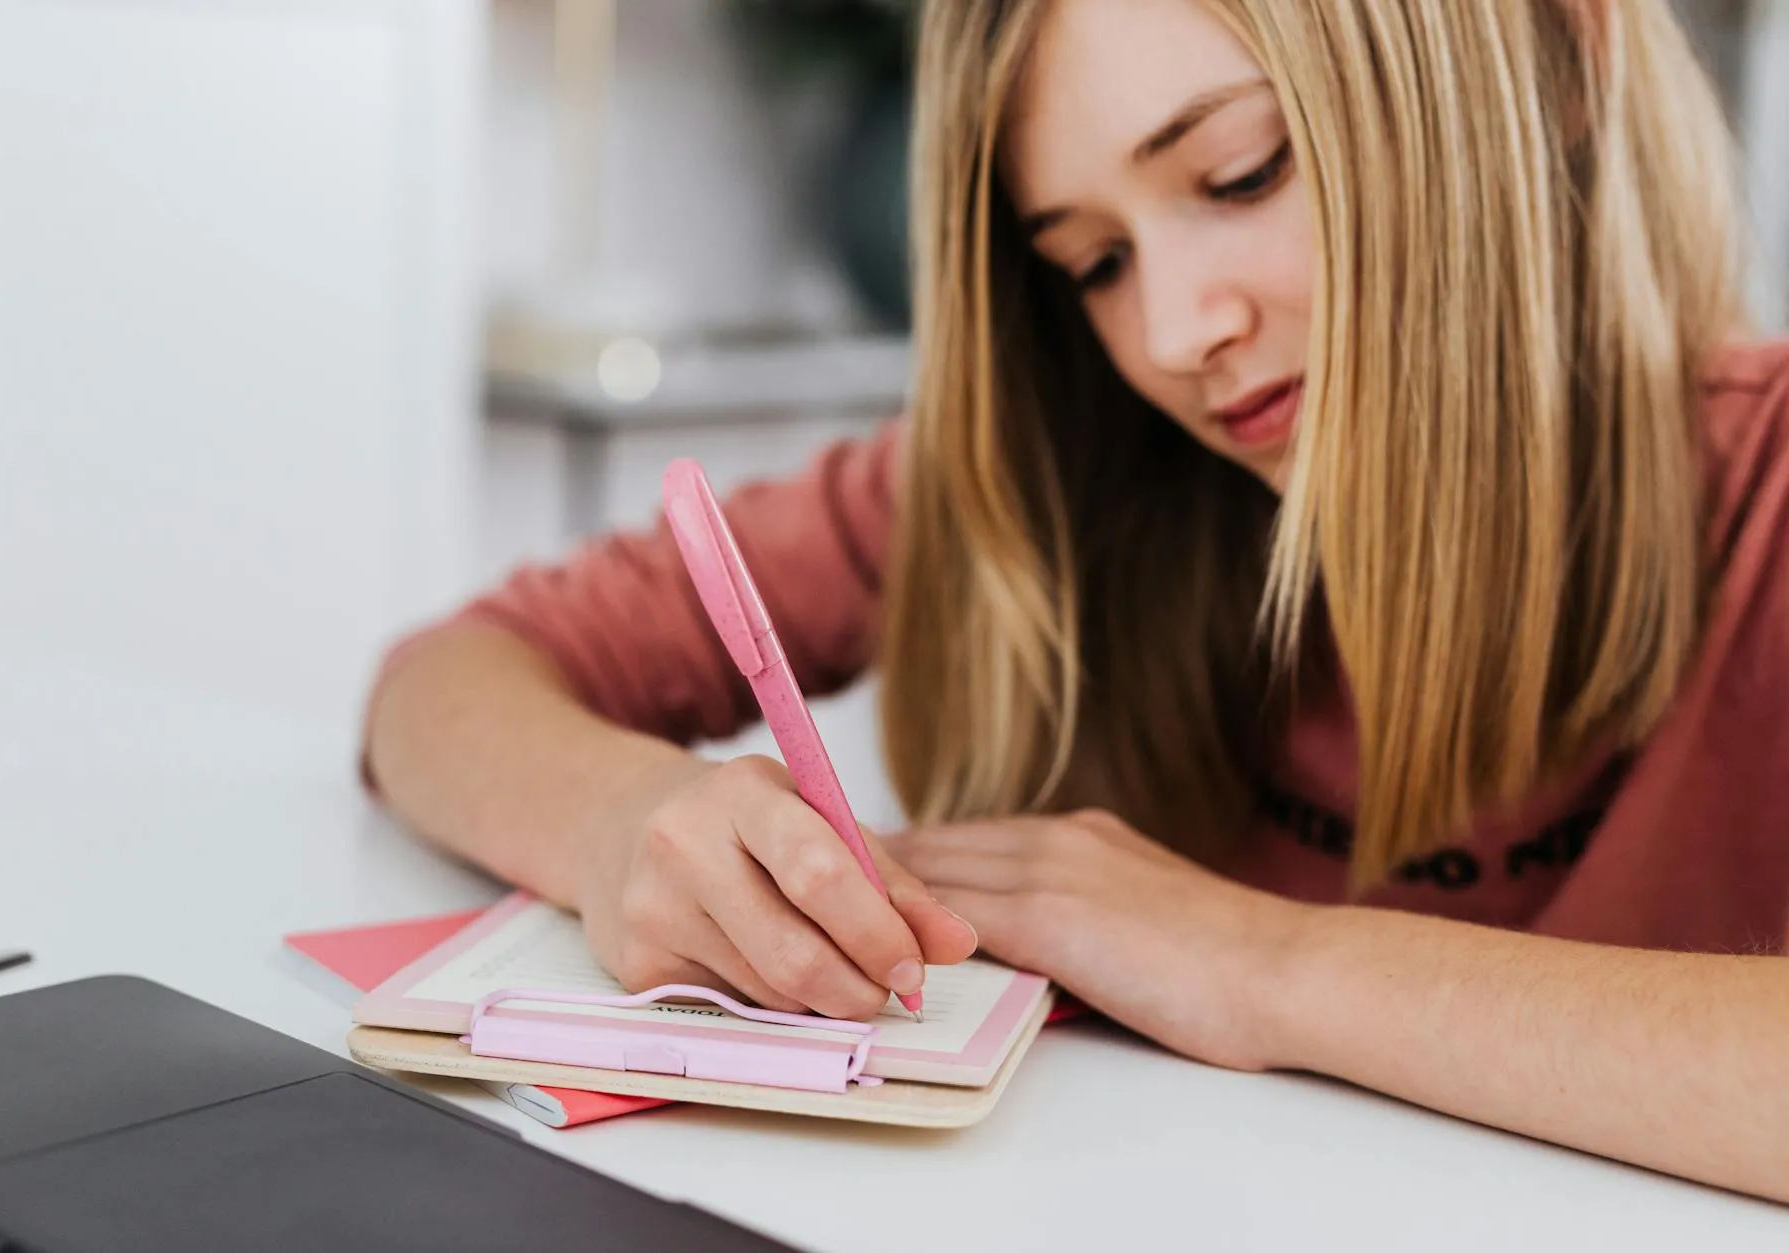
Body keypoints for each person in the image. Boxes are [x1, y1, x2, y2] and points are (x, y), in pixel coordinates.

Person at [364, 0, 1789, 1203]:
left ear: (1561, 54)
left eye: (1241, 172)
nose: (1176, 337)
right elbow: (445, 684)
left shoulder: (1765, 485)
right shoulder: (1053, 477)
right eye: (1092, 263)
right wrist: (624, 830)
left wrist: (1261, 962)